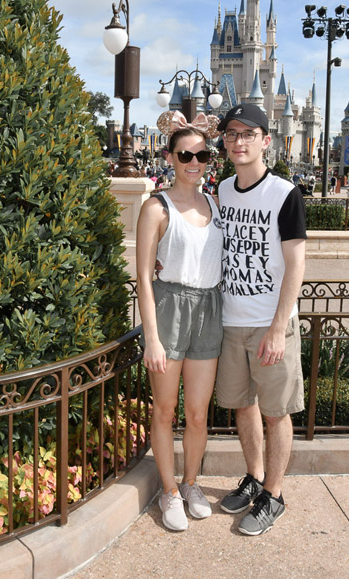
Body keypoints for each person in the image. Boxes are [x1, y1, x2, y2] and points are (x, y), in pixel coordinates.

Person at [215, 103, 306, 536]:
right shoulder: (223, 190)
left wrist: (277, 327)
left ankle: (275, 494)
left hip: (271, 324)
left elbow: (296, 265)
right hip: (232, 321)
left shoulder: (285, 193)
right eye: (232, 134)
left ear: (266, 140)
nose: (239, 141)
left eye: (248, 133)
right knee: (244, 407)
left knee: (276, 414)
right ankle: (254, 478)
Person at [136, 110, 223, 532]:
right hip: (170, 308)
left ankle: (191, 483)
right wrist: (152, 337)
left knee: (198, 412)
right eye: (185, 155)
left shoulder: (217, 205)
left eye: (202, 155)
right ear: (169, 157)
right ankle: (169, 491)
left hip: (209, 309)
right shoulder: (157, 207)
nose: (194, 163)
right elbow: (143, 277)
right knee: (166, 409)